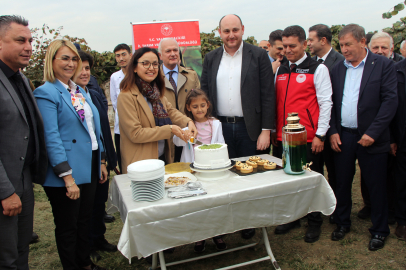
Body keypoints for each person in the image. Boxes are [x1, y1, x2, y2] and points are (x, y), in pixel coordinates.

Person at [34, 39, 108, 270]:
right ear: (51, 60)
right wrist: (67, 177)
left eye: (74, 58)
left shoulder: (77, 90)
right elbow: (51, 137)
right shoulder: (46, 92)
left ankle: (85, 263)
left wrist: (102, 160)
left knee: (84, 220)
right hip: (65, 170)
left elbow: (93, 130)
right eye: (65, 58)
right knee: (68, 226)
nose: (71, 63)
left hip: (89, 163)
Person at [201, 15, 275, 240]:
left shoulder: (259, 55)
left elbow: (268, 95)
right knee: (222, 175)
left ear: (242, 29)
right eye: (226, 31)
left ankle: (248, 221)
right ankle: (224, 222)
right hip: (220, 127)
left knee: (250, 176)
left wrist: (266, 130)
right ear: (219, 32)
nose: (231, 35)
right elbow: (204, 91)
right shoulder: (211, 58)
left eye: (235, 30)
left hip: (249, 128)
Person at [329, 24, 397, 251]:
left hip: (371, 137)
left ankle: (379, 230)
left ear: (362, 42)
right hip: (344, 137)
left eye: (348, 44)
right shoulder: (338, 68)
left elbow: (390, 102)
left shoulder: (384, 66)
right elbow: (331, 104)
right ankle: (342, 221)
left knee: (376, 185)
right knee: (342, 182)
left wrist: (373, 133)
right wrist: (333, 131)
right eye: (341, 45)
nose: (344, 49)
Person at [272, 25, 333, 243]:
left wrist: (320, 135)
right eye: (284, 46)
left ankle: (314, 221)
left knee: (311, 179)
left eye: (292, 46)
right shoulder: (281, 69)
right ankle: (293, 217)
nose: (287, 50)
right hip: (282, 137)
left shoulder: (318, 69)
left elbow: (326, 104)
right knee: (287, 179)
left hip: (307, 138)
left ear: (304, 44)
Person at [0, 15, 48, 269]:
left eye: (30, 40)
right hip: (5, 185)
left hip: (24, 177)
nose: (28, 46)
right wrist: (5, 191)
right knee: (6, 256)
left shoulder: (19, 78)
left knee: (21, 249)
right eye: (20, 40)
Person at [116, 47, 197, 172]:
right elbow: (135, 134)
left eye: (155, 64)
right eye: (145, 63)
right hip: (141, 163)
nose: (151, 68)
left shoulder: (155, 91)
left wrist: (188, 122)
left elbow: (170, 111)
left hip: (161, 157)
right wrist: (170, 129)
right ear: (134, 67)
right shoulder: (126, 96)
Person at [75, 51, 118, 261]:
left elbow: (101, 127)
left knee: (99, 200)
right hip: (83, 160)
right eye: (79, 67)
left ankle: (98, 237)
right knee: (85, 207)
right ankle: (86, 247)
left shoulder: (92, 88)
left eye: (87, 68)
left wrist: (109, 157)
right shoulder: (71, 95)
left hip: (100, 156)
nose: (84, 72)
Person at [173, 89, 227, 252]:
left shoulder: (215, 124)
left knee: (214, 202)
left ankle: (217, 234)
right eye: (195, 106)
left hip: (211, 170)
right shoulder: (188, 126)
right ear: (188, 108)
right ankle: (200, 237)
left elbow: (221, 145)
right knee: (197, 202)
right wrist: (184, 133)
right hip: (193, 170)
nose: (199, 110)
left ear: (208, 105)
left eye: (202, 105)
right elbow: (177, 142)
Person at [358, 31, 400, 225]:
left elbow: (391, 103)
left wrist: (393, 137)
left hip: (393, 129)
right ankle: (370, 205)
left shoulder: (396, 67)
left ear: (392, 49)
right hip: (373, 131)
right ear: (369, 47)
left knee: (390, 175)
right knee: (369, 174)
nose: (380, 51)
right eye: (376, 47)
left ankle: (392, 209)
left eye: (384, 48)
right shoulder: (365, 68)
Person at [307, 23, 345, 224]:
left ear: (323, 40)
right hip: (321, 127)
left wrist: (332, 129)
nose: (308, 43)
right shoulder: (313, 63)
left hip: (334, 127)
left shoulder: (339, 62)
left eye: (311, 39)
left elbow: (335, 100)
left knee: (336, 172)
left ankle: (336, 210)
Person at [158, 38, 201, 162]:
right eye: (168, 51)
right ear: (160, 55)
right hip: (165, 136)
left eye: (175, 50)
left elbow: (199, 105)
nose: (173, 53)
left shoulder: (191, 76)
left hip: (189, 133)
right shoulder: (155, 78)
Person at [110, 43, 132, 173]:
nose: (121, 58)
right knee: (123, 161)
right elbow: (114, 101)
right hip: (120, 127)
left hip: (135, 125)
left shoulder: (137, 73)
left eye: (123, 54)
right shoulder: (114, 77)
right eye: (117, 56)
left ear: (130, 55)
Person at [392, 58, 406, 240]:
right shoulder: (397, 71)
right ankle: (402, 221)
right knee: (402, 179)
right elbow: (391, 105)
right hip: (403, 135)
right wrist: (392, 138)